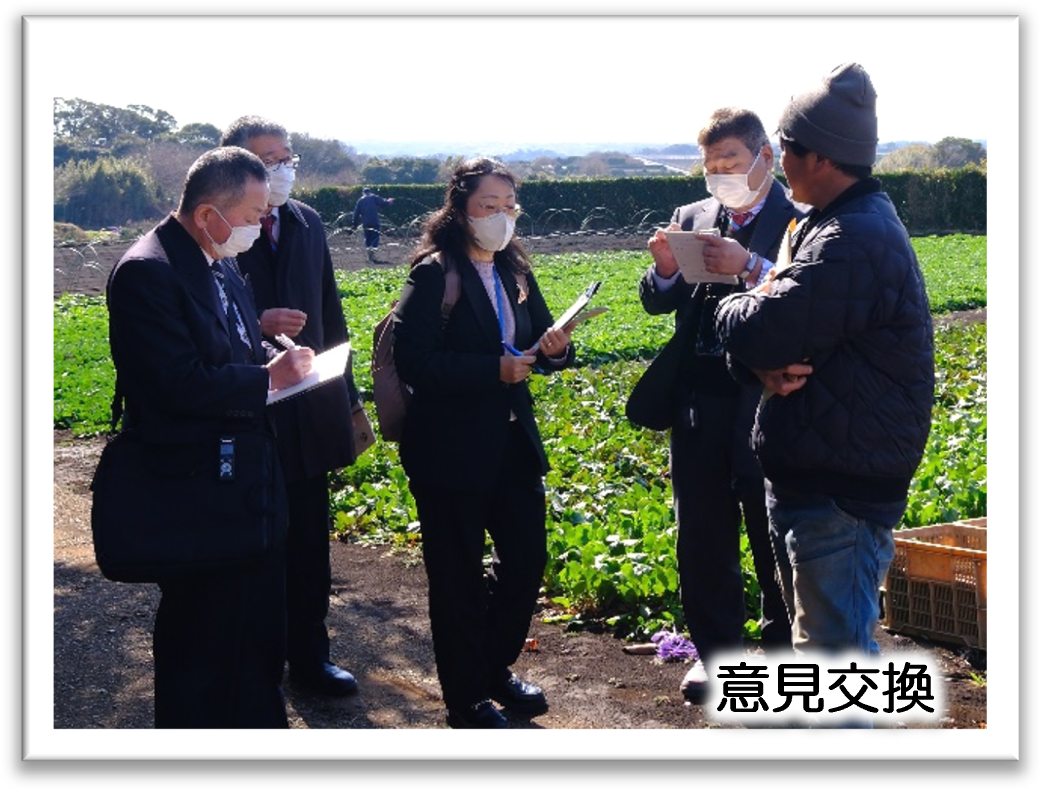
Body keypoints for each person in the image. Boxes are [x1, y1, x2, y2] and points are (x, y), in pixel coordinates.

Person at [715, 63, 934, 663]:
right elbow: (770, 346)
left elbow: (761, 328)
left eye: (785, 148)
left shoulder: (851, 239)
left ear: (821, 157)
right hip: (820, 478)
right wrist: (758, 361)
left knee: (834, 666)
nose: (779, 163)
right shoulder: (830, 225)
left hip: (841, 497)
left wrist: (737, 299)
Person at [105, 146, 315, 727]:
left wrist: (274, 353)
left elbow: (233, 346)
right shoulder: (149, 271)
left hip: (246, 480)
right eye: (250, 214)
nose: (258, 224)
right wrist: (265, 378)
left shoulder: (216, 258)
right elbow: (174, 383)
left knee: (254, 632)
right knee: (201, 637)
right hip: (195, 487)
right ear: (206, 214)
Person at [392, 158, 575, 729]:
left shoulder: (516, 270)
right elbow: (414, 363)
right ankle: (465, 697)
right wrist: (490, 370)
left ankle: (493, 666)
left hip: (511, 443)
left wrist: (555, 349)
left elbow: (543, 347)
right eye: (487, 207)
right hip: (448, 451)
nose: (500, 218)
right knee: (457, 578)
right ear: (460, 209)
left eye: (508, 207)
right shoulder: (432, 275)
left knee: (526, 561)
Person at [637, 108, 804, 703]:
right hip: (699, 397)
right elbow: (658, 302)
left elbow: (807, 295)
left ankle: (787, 654)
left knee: (772, 529)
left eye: (730, 162)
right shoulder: (693, 216)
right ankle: (718, 657)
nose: (719, 176)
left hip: (766, 397)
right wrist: (662, 272)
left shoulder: (800, 217)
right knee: (702, 532)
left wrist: (750, 267)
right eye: (710, 166)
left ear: (765, 156)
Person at [220, 116, 363, 697]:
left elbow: (328, 311)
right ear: (238, 169)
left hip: (309, 408)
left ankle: (310, 655)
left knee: (308, 540)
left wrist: (347, 397)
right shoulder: (223, 232)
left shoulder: (306, 222)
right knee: (255, 541)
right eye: (268, 160)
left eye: (287, 157)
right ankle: (253, 662)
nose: (282, 170)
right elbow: (204, 319)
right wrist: (255, 326)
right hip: (249, 414)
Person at [353, 186, 395, 261]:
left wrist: (354, 224)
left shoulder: (360, 200)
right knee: (375, 237)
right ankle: (373, 253)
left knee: (367, 238)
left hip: (365, 223)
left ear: (363, 193)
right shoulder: (374, 197)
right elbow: (383, 203)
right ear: (370, 192)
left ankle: (369, 254)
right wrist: (389, 201)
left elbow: (356, 213)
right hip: (374, 221)